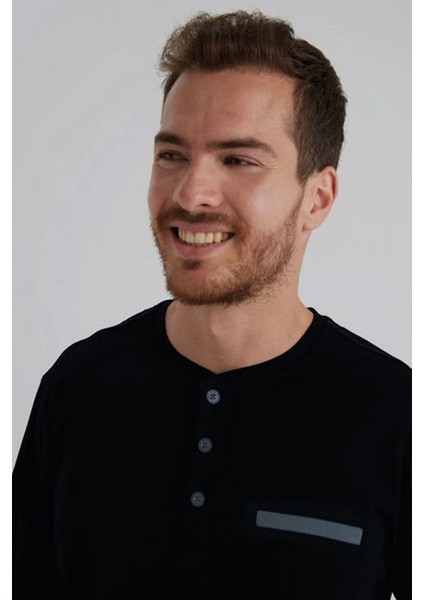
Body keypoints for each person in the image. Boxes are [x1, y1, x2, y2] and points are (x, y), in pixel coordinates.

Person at [13, 10, 411, 600]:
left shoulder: (397, 416)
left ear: (317, 198)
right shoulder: (76, 388)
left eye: (238, 159)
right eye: (172, 155)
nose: (190, 193)